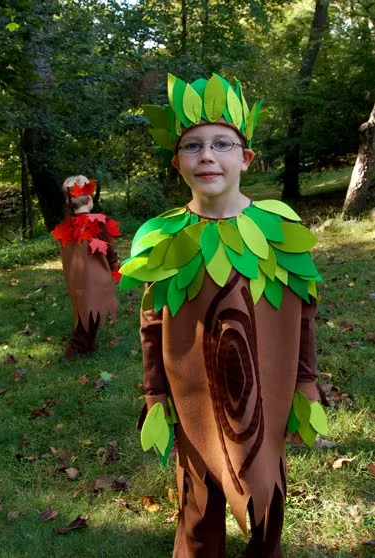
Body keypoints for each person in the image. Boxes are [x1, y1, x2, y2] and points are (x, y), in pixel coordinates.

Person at [120, 74, 328, 557]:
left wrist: (305, 381)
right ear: (177, 163)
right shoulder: (161, 237)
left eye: (221, 144)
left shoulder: (279, 228)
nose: (207, 156)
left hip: (265, 395)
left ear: (245, 157)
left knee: (266, 502)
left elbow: (303, 315)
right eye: (192, 146)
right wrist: (155, 393)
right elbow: (153, 324)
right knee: (197, 508)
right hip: (193, 396)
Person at [51, 175, 121, 360]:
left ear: (68, 201)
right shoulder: (96, 222)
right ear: (90, 199)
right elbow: (108, 248)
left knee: (85, 309)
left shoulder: (67, 225)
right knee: (92, 310)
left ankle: (88, 343)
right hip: (95, 276)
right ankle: (76, 347)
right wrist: (115, 267)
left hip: (76, 277)